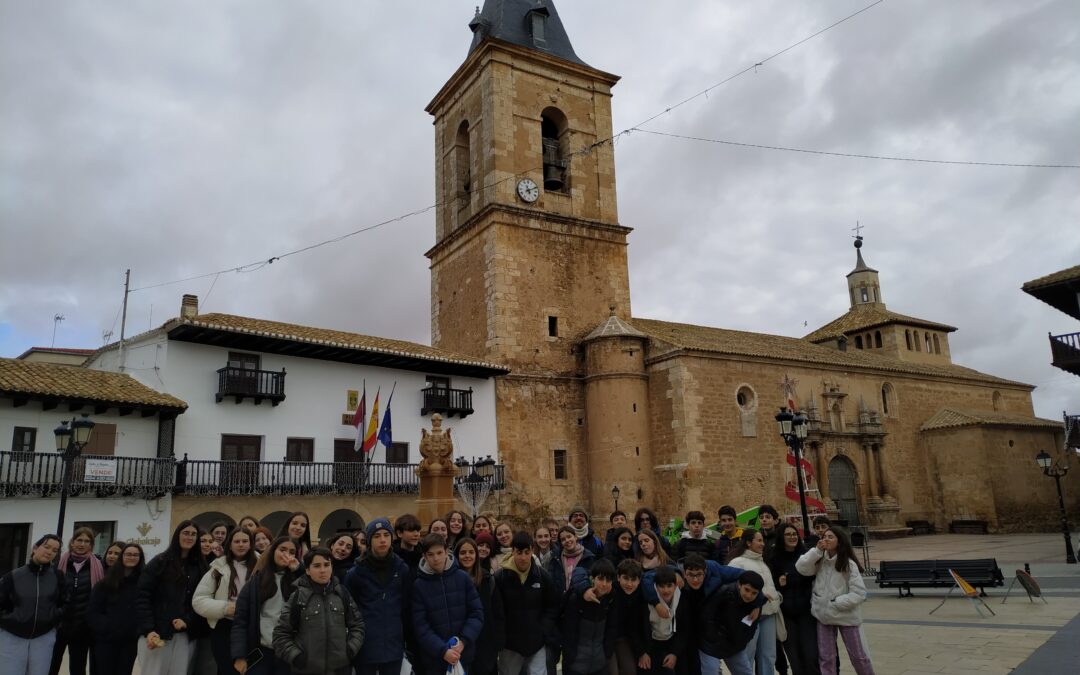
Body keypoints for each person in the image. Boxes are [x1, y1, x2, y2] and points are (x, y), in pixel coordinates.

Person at [796, 527, 875, 675]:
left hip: (844, 615)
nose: (826, 539)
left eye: (830, 537)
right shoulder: (820, 560)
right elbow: (801, 568)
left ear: (839, 541)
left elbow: (859, 593)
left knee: (858, 657)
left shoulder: (848, 564)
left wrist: (836, 603)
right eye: (824, 536)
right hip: (824, 616)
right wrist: (816, 551)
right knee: (826, 658)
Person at [273, 547, 365, 675]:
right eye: (316, 566)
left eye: (327, 565)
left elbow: (357, 626)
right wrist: (296, 656)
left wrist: (350, 649)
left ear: (332, 567)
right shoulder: (298, 597)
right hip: (306, 670)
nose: (323, 570)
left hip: (340, 669)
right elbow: (280, 635)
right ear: (307, 570)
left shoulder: (342, 593)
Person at [136, 520, 209, 675]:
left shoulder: (201, 566)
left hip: (184, 635)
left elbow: (204, 599)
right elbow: (142, 596)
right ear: (177, 535)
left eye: (193, 534)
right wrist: (149, 629)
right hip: (157, 633)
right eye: (186, 533)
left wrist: (188, 620)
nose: (189, 537)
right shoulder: (160, 562)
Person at [344, 518, 410, 675]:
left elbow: (406, 607)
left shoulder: (402, 569)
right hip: (365, 646)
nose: (382, 540)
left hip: (393, 645)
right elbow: (348, 609)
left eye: (386, 535)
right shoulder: (355, 573)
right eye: (377, 536)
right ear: (369, 540)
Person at [411, 534, 484, 675]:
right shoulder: (419, 585)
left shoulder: (462, 578)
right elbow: (421, 626)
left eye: (439, 553)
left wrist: (463, 641)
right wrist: (443, 651)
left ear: (446, 552)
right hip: (434, 659)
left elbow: (477, 613)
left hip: (462, 655)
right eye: (430, 554)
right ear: (424, 556)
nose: (436, 558)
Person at [230, 536, 300, 675]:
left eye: (292, 552)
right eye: (283, 549)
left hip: (287, 651)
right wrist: (240, 655)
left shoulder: (298, 581)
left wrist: (298, 570)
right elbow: (241, 620)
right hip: (261, 650)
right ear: (273, 551)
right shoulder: (256, 582)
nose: (287, 555)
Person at [193, 527, 257, 675]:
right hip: (224, 627)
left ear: (250, 543)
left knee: (251, 669)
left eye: (245, 541)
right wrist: (225, 608)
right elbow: (199, 599)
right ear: (230, 544)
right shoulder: (218, 567)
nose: (241, 544)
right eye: (237, 541)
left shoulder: (261, 565)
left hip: (253, 627)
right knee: (228, 670)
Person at [494, 532, 560, 675]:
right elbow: (497, 611)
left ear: (531, 551)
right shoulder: (500, 577)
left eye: (526, 552)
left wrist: (543, 630)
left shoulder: (542, 576)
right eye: (519, 552)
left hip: (536, 642)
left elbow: (552, 606)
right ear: (513, 552)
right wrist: (501, 637)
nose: (523, 557)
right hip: (510, 645)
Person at [0, 534, 64, 675]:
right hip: (13, 638)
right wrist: (10, 621)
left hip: (43, 638)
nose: (49, 552)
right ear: (35, 548)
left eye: (54, 550)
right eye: (46, 547)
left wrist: (53, 618)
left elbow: (64, 603)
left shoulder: (58, 576)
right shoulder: (12, 576)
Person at [50, 526, 105, 675]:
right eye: (79, 540)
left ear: (91, 545)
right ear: (72, 542)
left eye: (87, 541)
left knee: (78, 669)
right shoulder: (59, 564)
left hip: (82, 628)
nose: (82, 544)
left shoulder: (98, 566)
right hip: (58, 626)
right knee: (50, 666)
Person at [727, 528, 780, 675]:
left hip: (768, 614)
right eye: (759, 540)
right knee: (747, 655)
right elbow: (732, 589)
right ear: (749, 542)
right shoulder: (737, 562)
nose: (763, 544)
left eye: (763, 540)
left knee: (769, 656)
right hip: (748, 615)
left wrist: (777, 597)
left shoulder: (763, 563)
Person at [87, 543, 145, 675]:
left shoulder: (143, 583)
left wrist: (137, 629)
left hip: (129, 642)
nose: (132, 557)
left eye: (136, 555)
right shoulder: (105, 583)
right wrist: (106, 627)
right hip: (106, 640)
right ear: (122, 557)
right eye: (128, 554)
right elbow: (93, 611)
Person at [771, 523, 820, 675]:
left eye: (794, 534)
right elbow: (771, 586)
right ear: (781, 537)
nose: (792, 537)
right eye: (788, 534)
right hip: (786, 614)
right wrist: (780, 585)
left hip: (806, 612)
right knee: (795, 659)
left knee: (811, 655)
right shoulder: (774, 558)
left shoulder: (805, 555)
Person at [455, 537, 505, 675]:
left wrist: (498, 640)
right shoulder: (451, 580)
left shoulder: (488, 580)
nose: (467, 556)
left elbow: (497, 612)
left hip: (486, 643)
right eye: (463, 552)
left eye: (471, 552)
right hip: (460, 642)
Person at [698, 571, 764, 675]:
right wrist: (713, 637)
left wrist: (741, 641)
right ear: (739, 585)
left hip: (734, 646)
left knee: (745, 672)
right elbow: (707, 616)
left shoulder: (756, 604)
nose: (749, 595)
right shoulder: (723, 592)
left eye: (754, 593)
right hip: (711, 644)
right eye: (746, 590)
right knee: (710, 671)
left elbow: (752, 627)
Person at [559, 558, 617, 675]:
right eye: (600, 579)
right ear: (593, 578)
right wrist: (569, 655)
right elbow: (568, 630)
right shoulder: (577, 598)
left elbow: (612, 628)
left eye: (608, 580)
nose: (604, 584)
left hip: (599, 664)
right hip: (575, 665)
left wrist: (607, 653)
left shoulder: (611, 599)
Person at [641, 566, 686, 675]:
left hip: (671, 643)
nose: (666, 590)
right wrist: (642, 652)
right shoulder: (647, 600)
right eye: (661, 586)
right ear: (655, 586)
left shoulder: (682, 600)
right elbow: (638, 628)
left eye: (669, 586)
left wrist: (674, 653)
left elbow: (684, 630)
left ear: (675, 585)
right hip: (649, 644)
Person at [610, 559, 648, 675]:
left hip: (623, 639)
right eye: (625, 578)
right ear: (618, 577)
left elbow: (634, 627)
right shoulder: (610, 592)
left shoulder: (642, 595)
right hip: (605, 638)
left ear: (639, 580)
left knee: (629, 671)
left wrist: (642, 651)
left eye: (633, 580)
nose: (629, 584)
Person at [548, 525, 595, 591]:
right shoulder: (556, 558)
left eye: (569, 536)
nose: (567, 540)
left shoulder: (588, 557)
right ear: (561, 543)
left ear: (575, 537)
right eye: (563, 539)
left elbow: (591, 581)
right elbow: (551, 581)